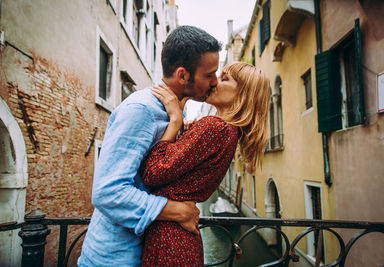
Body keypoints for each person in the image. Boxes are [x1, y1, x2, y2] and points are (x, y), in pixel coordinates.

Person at [78, 26, 222, 267]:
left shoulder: (177, 111)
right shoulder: (141, 110)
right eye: (209, 75)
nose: (215, 81)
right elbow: (107, 192)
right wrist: (177, 211)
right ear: (183, 75)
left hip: (148, 252)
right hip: (115, 259)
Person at [140, 62, 271, 266]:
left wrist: (175, 120)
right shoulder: (229, 132)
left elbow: (152, 172)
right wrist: (185, 135)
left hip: (169, 239)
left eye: (225, 78)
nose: (215, 81)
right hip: (180, 238)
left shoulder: (214, 127)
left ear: (243, 94)